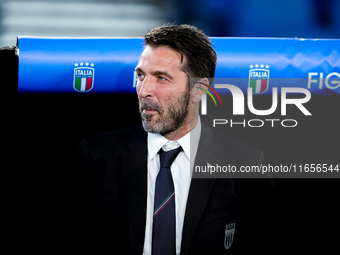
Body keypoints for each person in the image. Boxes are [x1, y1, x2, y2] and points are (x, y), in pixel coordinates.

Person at [73, 24, 277, 255]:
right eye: (140, 76)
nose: (143, 90)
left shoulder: (245, 162)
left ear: (199, 90)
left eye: (161, 78)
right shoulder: (97, 155)